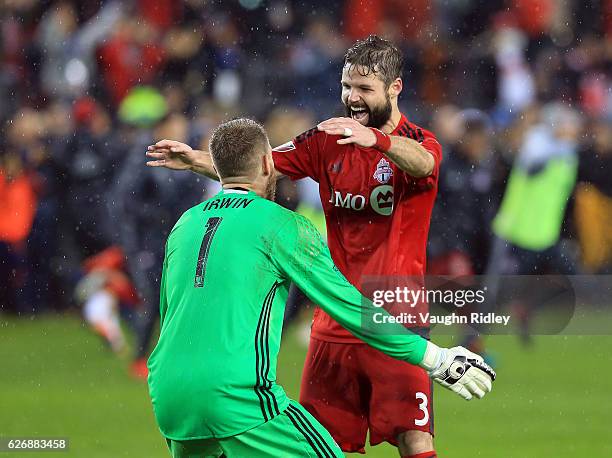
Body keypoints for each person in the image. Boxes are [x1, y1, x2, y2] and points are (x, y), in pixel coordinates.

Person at [147, 36, 448, 457]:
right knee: (319, 438)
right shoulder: (327, 140)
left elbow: (426, 163)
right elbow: (259, 163)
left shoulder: (418, 141)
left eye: (365, 89)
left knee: (414, 438)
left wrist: (375, 141)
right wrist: (197, 159)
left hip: (392, 312)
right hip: (333, 318)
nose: (352, 97)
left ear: (395, 88)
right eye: (347, 86)